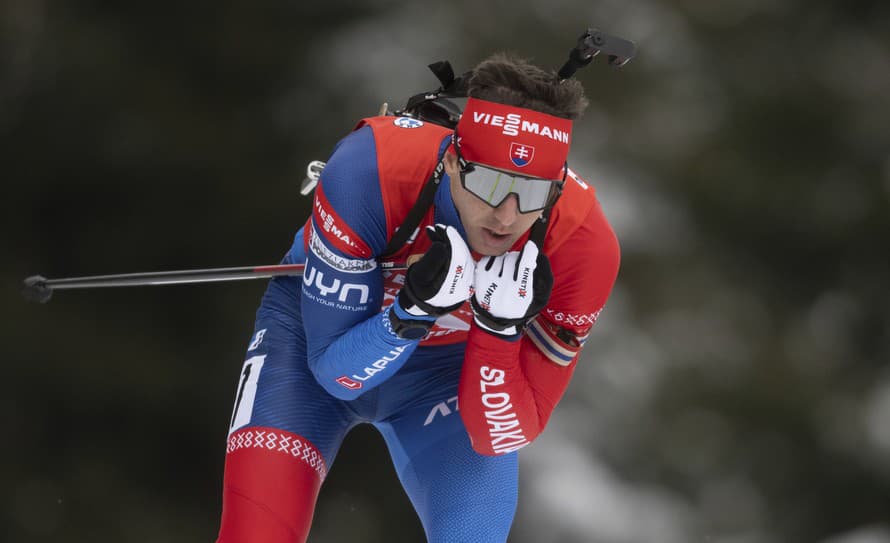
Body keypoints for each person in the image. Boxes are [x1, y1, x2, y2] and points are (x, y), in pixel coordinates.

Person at [216, 52, 620, 543]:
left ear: (556, 187)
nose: (507, 216)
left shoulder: (582, 243)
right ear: (452, 160)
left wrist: (498, 330)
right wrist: (413, 312)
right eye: (489, 184)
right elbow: (335, 375)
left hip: (445, 379)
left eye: (531, 193)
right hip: (307, 349)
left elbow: (503, 435)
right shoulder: (371, 169)